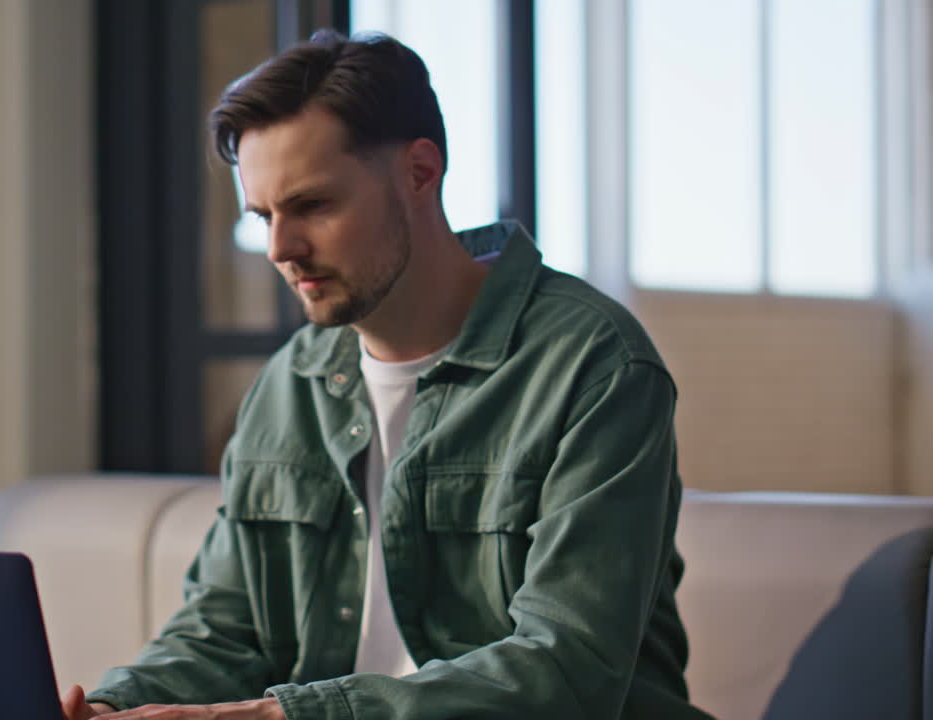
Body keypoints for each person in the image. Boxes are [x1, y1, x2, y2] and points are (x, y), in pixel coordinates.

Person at [63, 29, 716, 720]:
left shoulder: (593, 365)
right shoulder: (289, 386)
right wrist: (112, 708)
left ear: (419, 172)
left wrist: (275, 717)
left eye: (312, 205)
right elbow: (224, 633)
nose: (281, 249)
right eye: (264, 217)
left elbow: (567, 671)